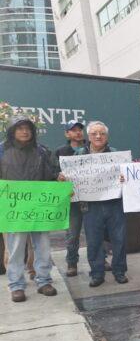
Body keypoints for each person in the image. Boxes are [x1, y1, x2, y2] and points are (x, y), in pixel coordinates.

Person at [60, 121, 129, 287]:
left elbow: (127, 177)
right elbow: (70, 177)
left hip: (114, 203)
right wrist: (64, 178)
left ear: (107, 136)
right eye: (94, 134)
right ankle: (97, 274)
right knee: (93, 240)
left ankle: (119, 271)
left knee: (119, 239)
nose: (98, 136)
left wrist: (124, 177)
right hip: (90, 205)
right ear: (89, 136)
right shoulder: (78, 156)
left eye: (102, 133)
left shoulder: (116, 154)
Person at [0, 115, 58, 302]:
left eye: (28, 128)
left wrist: (59, 179)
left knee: (43, 246)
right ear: (12, 131)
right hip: (14, 208)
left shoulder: (42, 151)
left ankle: (43, 280)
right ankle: (16, 285)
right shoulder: (1, 151)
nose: (24, 131)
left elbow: (52, 174)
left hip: (39, 207)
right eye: (20, 128)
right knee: (15, 247)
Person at [53, 120, 86, 277]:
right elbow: (53, 171)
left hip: (93, 198)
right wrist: (57, 177)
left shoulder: (90, 148)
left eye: (80, 129)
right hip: (71, 200)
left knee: (97, 232)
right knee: (72, 234)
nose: (78, 132)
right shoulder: (60, 151)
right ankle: (72, 263)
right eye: (73, 130)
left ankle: (102, 259)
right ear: (67, 134)